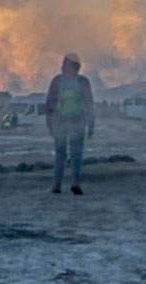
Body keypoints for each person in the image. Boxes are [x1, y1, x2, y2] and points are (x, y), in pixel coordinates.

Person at [43, 53, 95, 195]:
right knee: (68, 153)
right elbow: (50, 104)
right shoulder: (75, 82)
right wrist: (50, 122)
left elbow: (89, 103)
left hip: (71, 120)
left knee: (69, 153)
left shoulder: (65, 82)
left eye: (65, 64)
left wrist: (91, 123)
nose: (62, 67)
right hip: (67, 121)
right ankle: (65, 183)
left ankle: (66, 183)